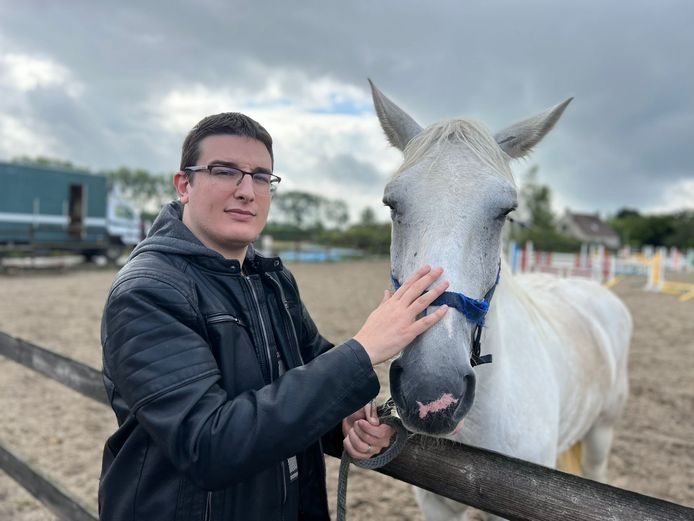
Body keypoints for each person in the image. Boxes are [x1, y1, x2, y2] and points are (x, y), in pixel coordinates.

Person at [98, 112, 449, 521]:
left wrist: (348, 417)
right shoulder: (148, 291)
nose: (247, 190)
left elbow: (310, 373)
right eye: (225, 171)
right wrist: (364, 350)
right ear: (184, 185)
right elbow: (209, 446)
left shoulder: (272, 282)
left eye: (261, 176)